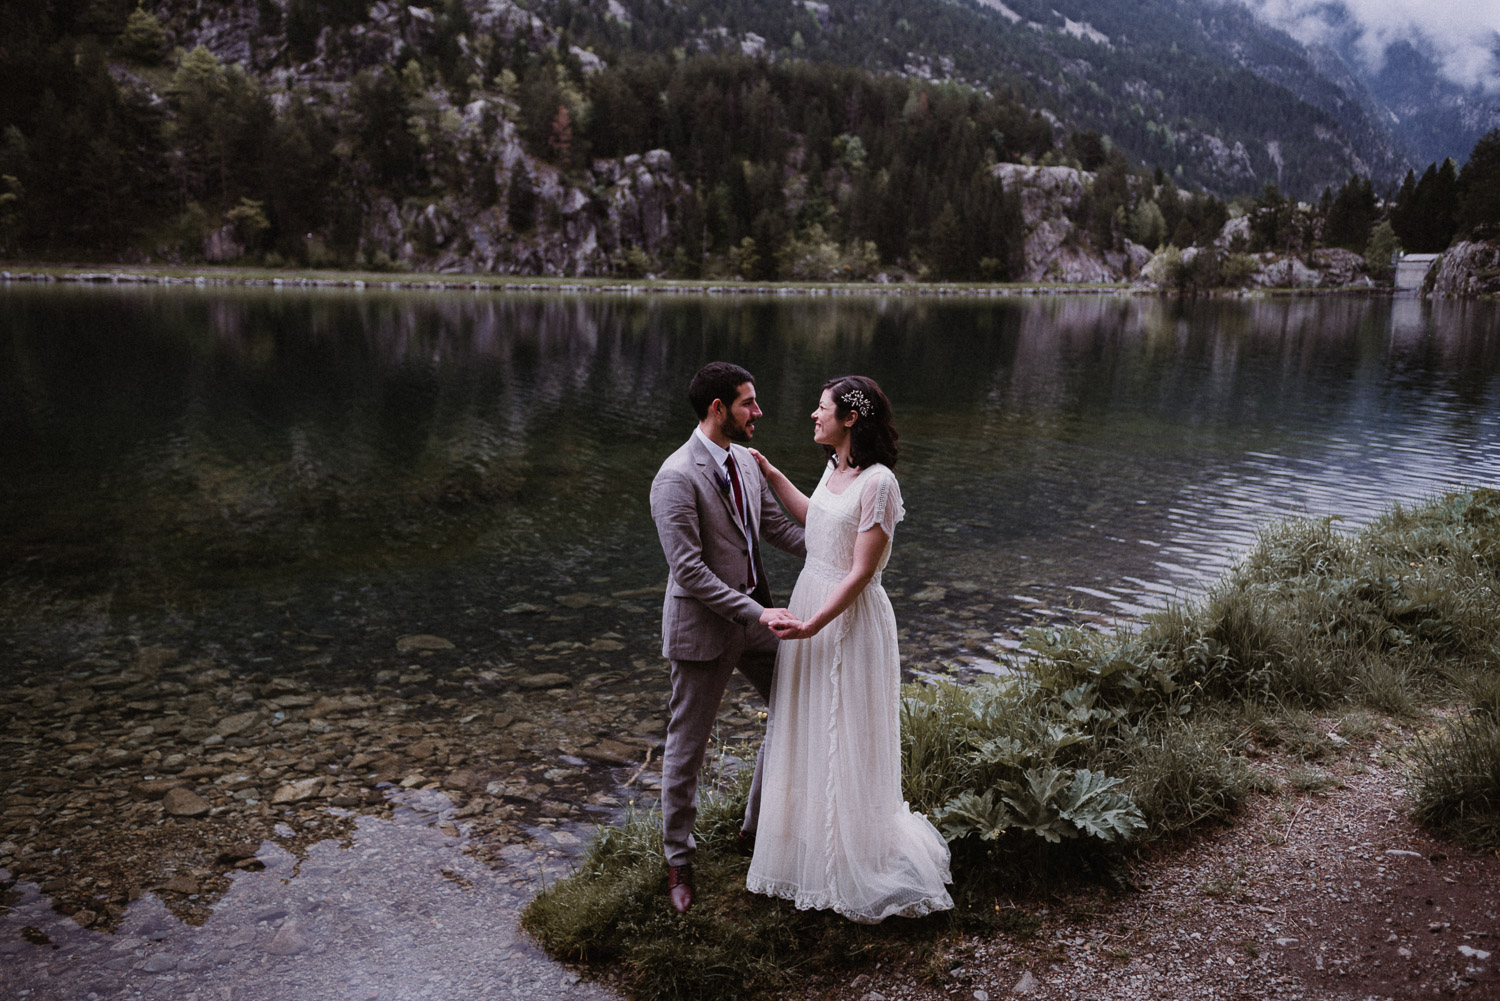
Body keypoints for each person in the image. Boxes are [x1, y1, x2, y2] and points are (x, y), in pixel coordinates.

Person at [744, 375, 953, 923]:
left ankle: (851, 860)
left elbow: (862, 571)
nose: (814, 416)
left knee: (844, 727)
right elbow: (816, 521)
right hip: (813, 595)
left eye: (821, 409)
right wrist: (769, 474)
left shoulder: (880, 482)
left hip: (846, 616)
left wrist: (814, 624)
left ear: (850, 418)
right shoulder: (837, 469)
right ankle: (812, 847)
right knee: (809, 722)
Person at [649, 362, 807, 915]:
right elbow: (689, 571)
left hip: (755, 622)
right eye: (748, 403)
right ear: (718, 409)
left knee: (796, 710)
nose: (757, 412)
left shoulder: (744, 461)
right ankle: (678, 861)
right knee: (686, 750)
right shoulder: (674, 477)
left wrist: (847, 546)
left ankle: (754, 830)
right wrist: (759, 613)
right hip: (704, 630)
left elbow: (779, 529)